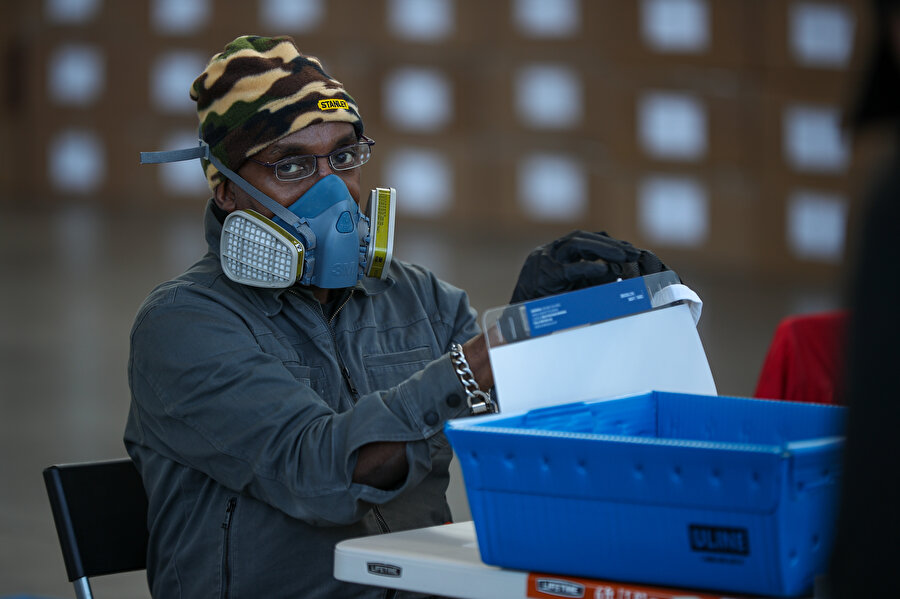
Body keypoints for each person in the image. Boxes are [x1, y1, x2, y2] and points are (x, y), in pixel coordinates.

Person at [126, 35, 667, 598]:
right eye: (291, 166)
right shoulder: (184, 325)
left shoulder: (420, 299)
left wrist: (569, 324)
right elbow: (320, 471)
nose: (332, 190)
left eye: (343, 156)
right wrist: (487, 353)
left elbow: (524, 441)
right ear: (226, 192)